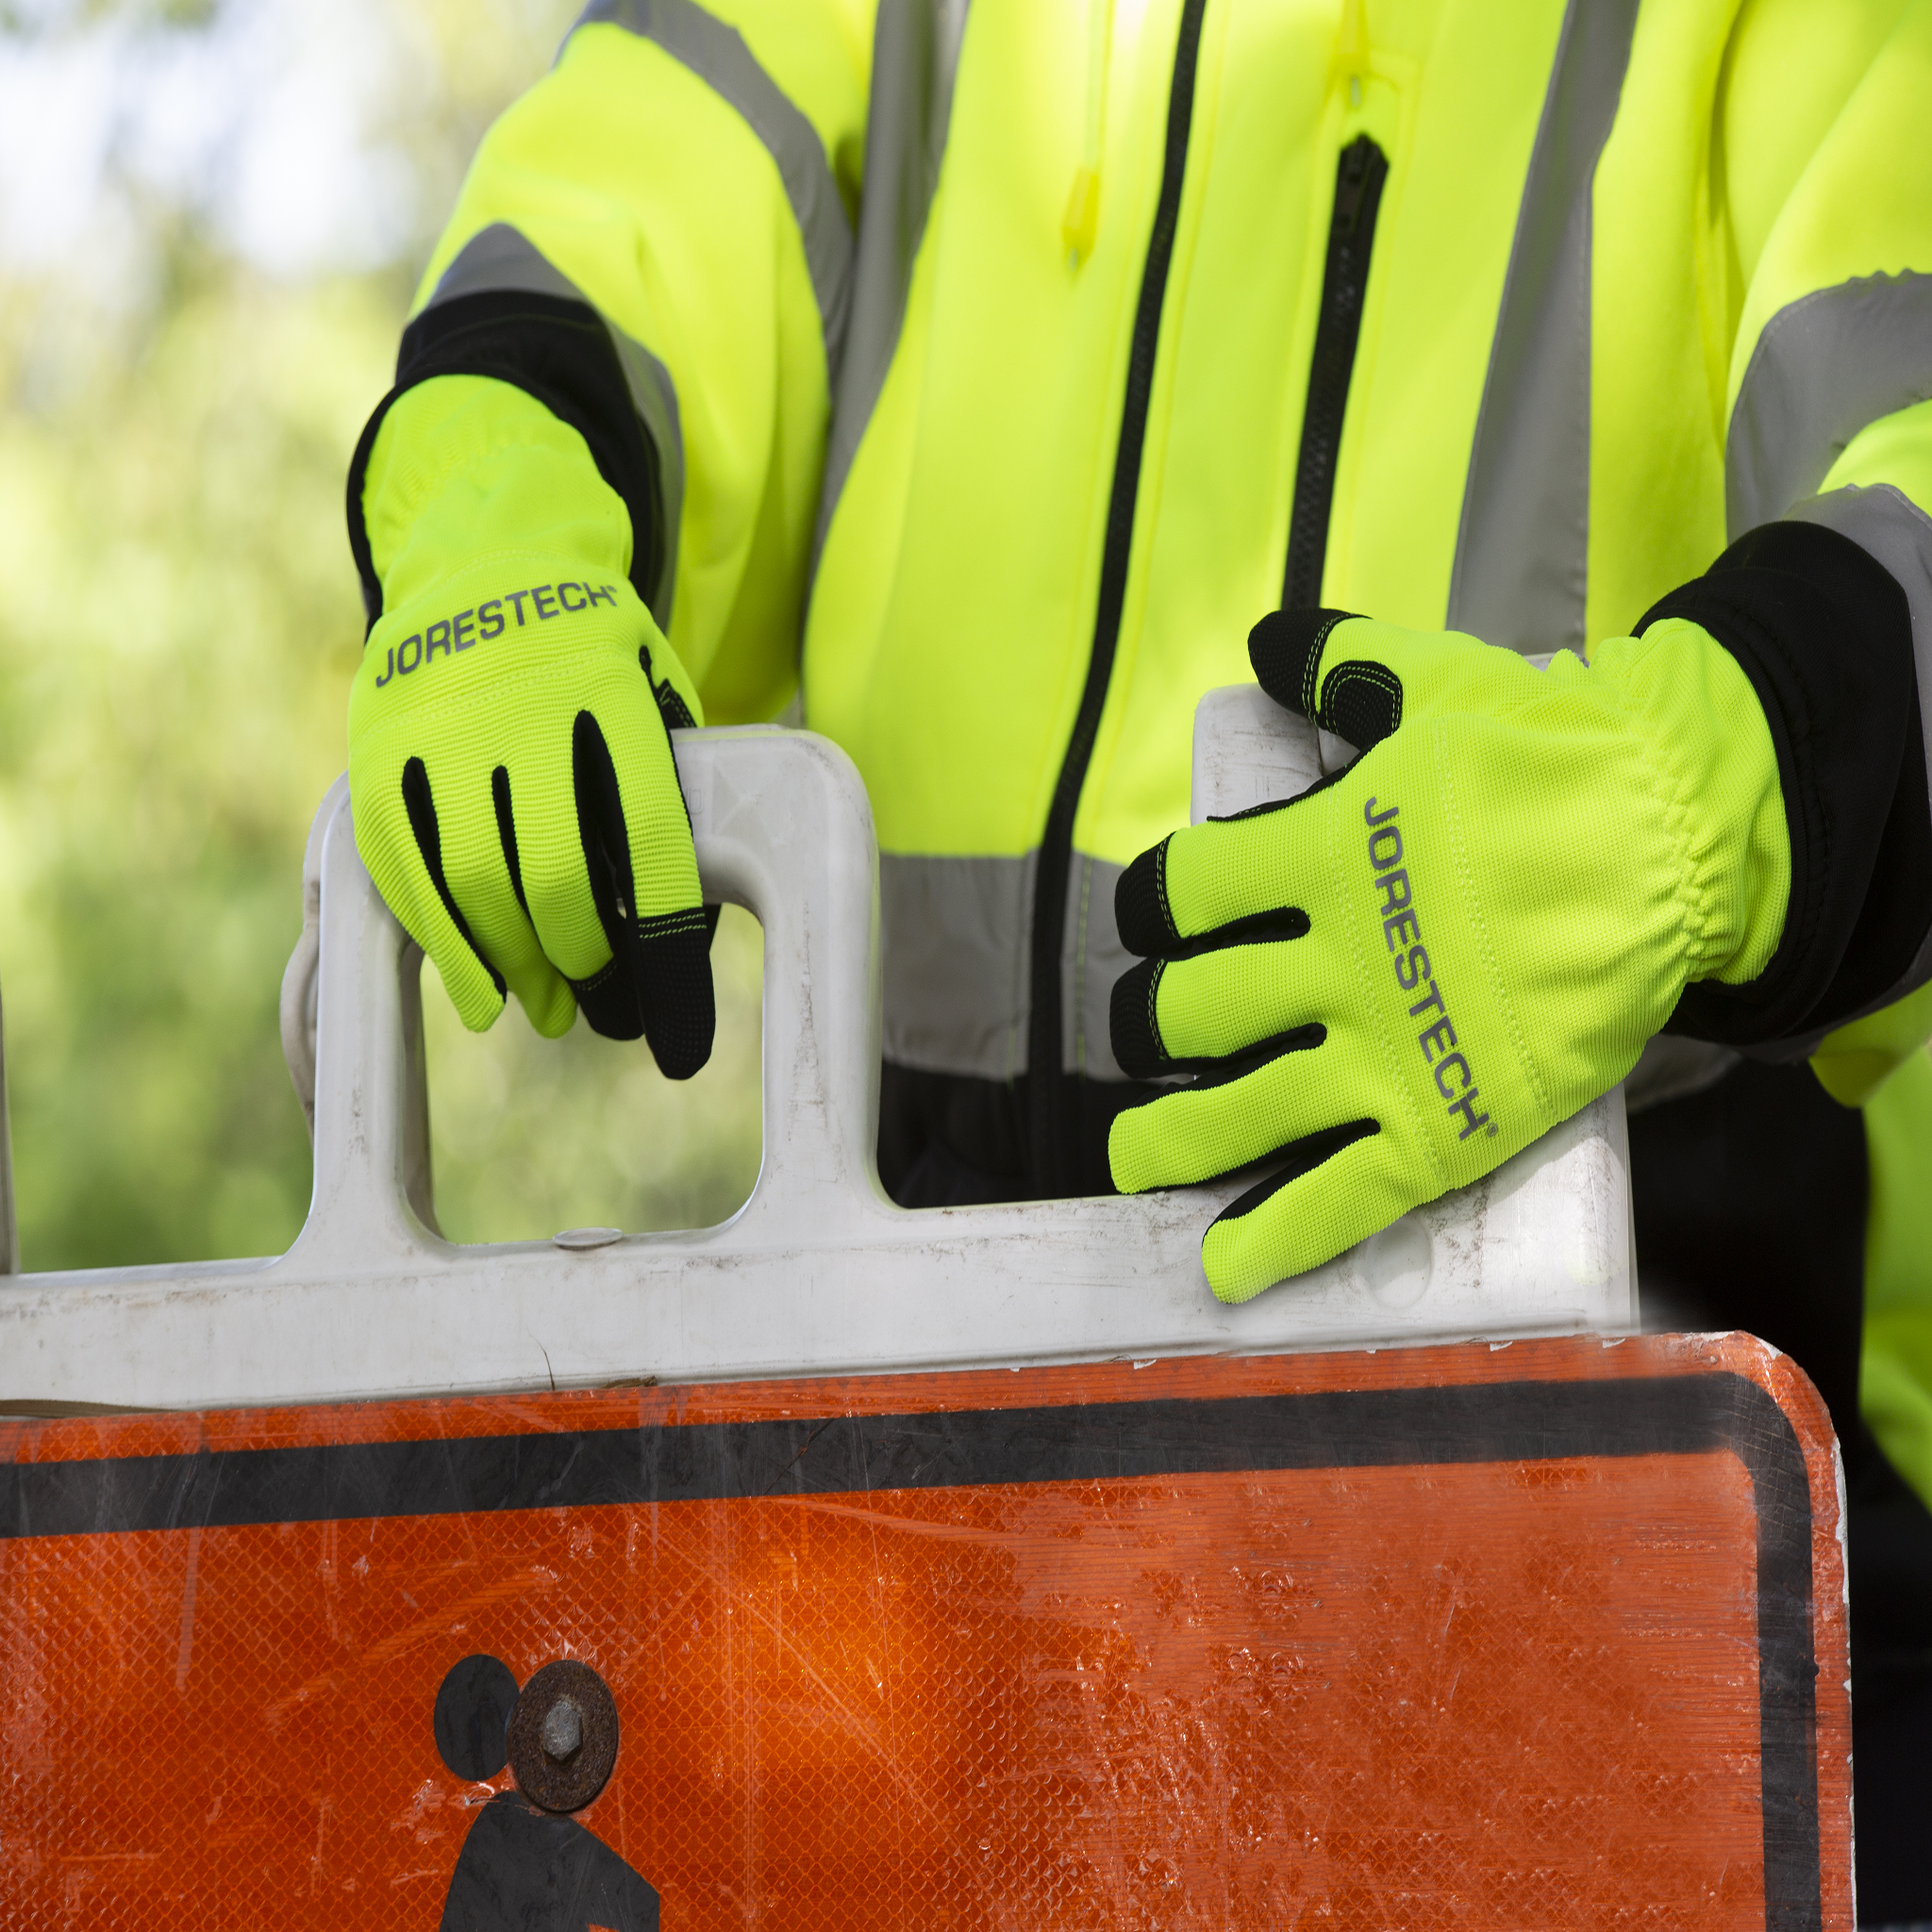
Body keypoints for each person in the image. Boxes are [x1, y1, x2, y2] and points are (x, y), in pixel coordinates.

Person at [345, 1, 1932, 1916]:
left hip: (1653, 1394)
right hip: (920, 1454)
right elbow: (646, 185)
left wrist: (1719, 785)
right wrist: (496, 493)